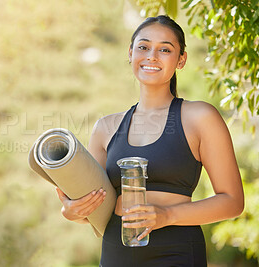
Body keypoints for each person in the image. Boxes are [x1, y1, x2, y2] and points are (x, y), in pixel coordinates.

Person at [55, 15, 244, 266]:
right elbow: (95, 208)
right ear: (131, 53)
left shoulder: (200, 117)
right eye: (143, 47)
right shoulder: (106, 127)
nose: (152, 56)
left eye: (165, 49)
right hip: (116, 253)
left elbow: (233, 202)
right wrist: (72, 212)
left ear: (181, 59)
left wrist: (166, 215)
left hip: (177, 252)